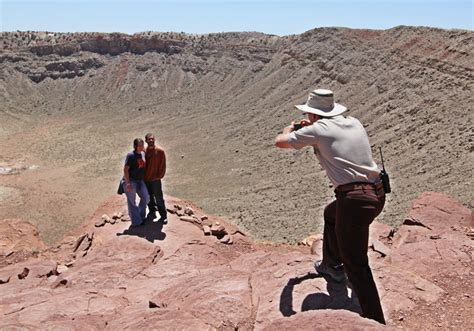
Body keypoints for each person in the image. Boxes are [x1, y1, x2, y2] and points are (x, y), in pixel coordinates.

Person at [275, 88, 386, 324]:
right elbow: (328, 134)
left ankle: (375, 321)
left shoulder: (317, 130)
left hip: (356, 202)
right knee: (331, 214)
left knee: (357, 266)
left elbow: (280, 142)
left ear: (313, 115)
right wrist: (312, 126)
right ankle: (332, 266)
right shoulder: (353, 122)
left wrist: (293, 128)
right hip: (376, 194)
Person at [123, 138, 149, 226]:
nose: (142, 146)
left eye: (142, 144)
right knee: (132, 202)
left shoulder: (143, 153)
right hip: (131, 180)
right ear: (135, 146)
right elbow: (125, 170)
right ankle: (136, 222)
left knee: (146, 197)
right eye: (140, 145)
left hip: (140, 180)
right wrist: (128, 183)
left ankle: (140, 215)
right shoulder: (131, 155)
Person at [144, 133, 168, 224]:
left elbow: (163, 165)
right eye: (149, 139)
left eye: (152, 139)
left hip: (155, 179)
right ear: (146, 141)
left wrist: (159, 176)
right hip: (146, 179)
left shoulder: (160, 151)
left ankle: (163, 215)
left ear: (155, 139)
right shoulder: (144, 151)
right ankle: (152, 212)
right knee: (149, 197)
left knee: (159, 197)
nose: (151, 141)